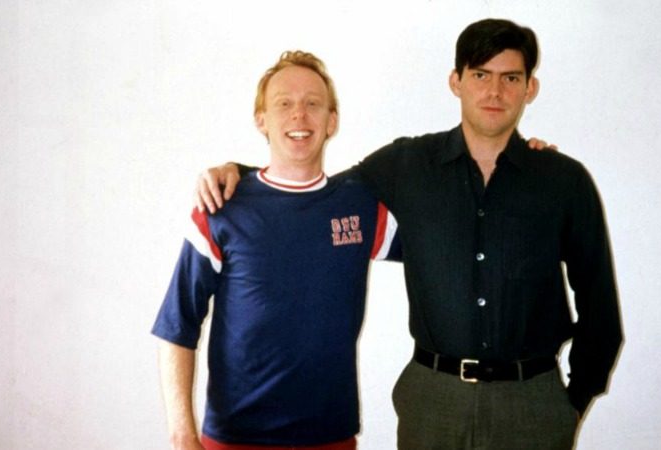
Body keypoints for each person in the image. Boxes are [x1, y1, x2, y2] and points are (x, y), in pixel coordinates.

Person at [197, 18, 622, 449]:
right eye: (480, 75)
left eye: (510, 78)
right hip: (433, 401)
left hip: (533, 403)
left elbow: (599, 302)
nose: (494, 92)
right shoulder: (408, 164)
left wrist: (570, 404)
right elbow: (318, 193)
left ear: (530, 88)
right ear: (456, 82)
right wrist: (242, 176)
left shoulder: (562, 181)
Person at [152, 51, 401, 450]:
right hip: (236, 438)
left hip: (330, 437)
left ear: (332, 121)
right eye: (284, 104)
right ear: (261, 120)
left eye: (313, 104)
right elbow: (177, 324)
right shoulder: (221, 206)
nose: (299, 115)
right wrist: (182, 436)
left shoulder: (360, 205)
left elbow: (442, 246)